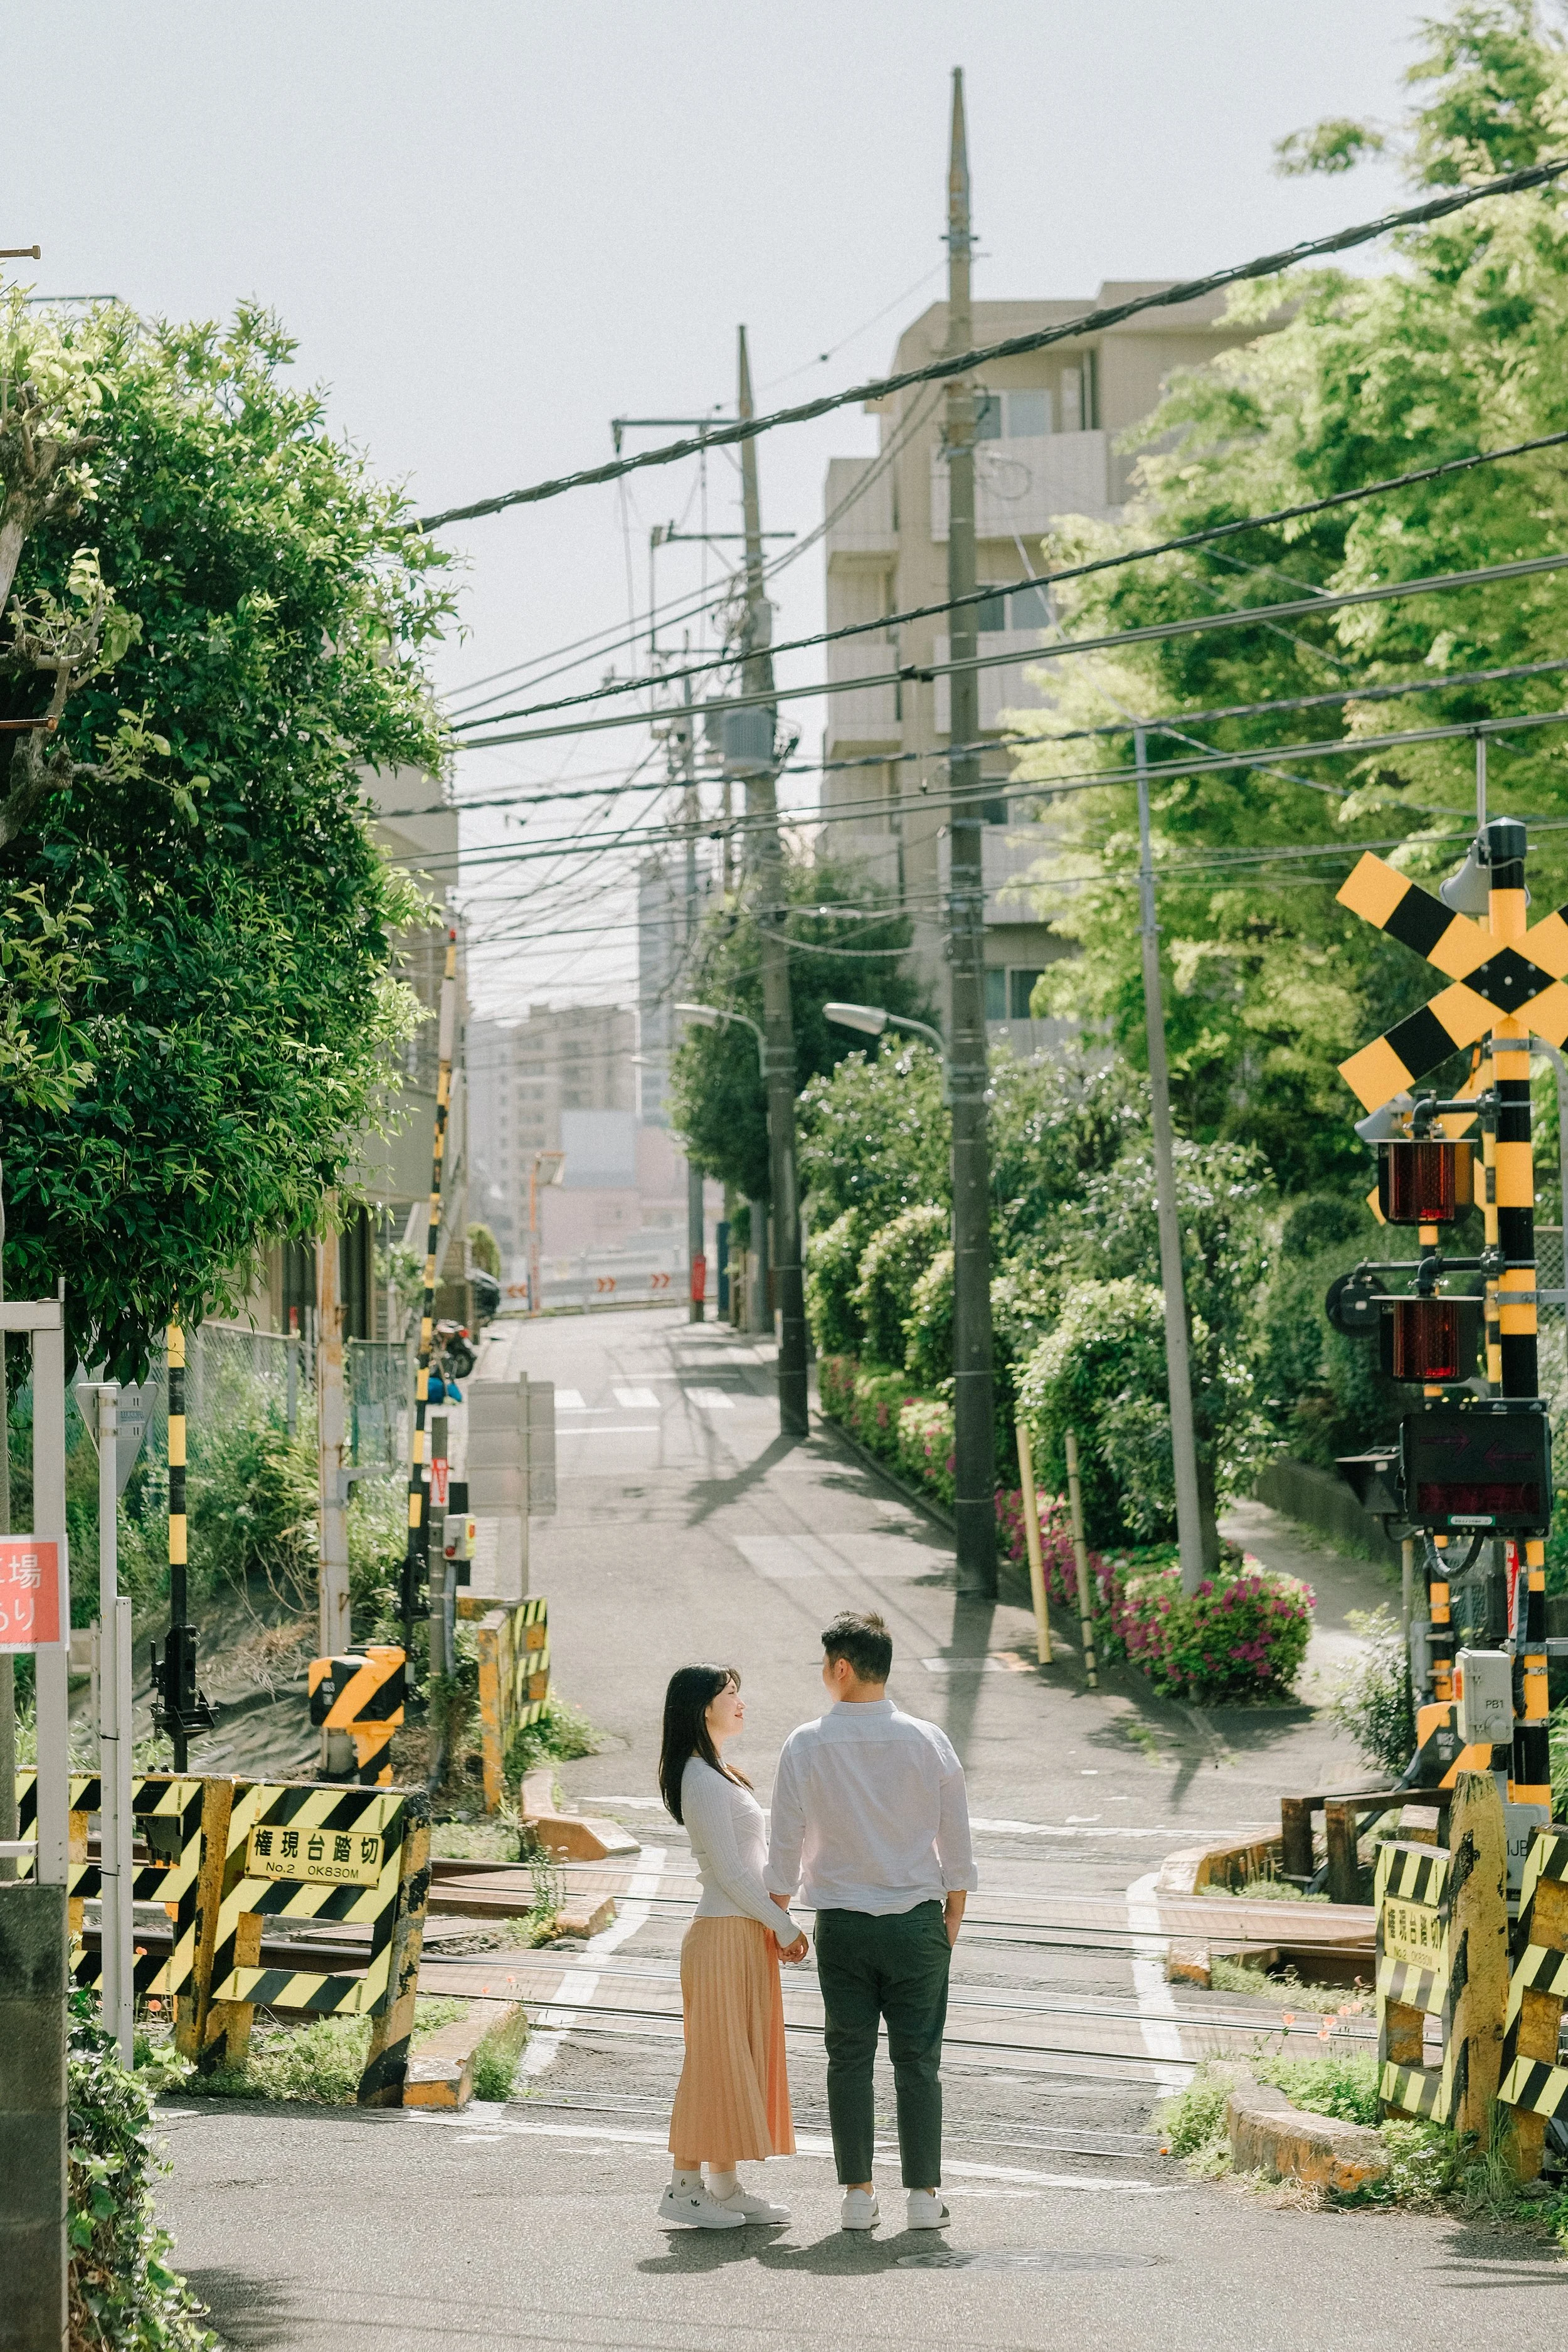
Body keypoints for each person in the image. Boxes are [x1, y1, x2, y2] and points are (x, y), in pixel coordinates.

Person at [765, 1609, 976, 2234]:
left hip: (842, 1926)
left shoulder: (806, 1744)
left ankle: (857, 2195)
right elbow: (957, 1849)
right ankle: (921, 2196)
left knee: (848, 2056)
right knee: (918, 2060)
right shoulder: (929, 1740)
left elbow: (784, 1849)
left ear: (841, 1669)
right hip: (916, 1923)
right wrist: (949, 1925)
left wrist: (777, 1917)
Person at [656, 1663, 808, 2230]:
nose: (741, 1701)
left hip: (741, 1933)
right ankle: (683, 2186)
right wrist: (785, 1926)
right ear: (702, 1708)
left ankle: (723, 2185)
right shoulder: (698, 1777)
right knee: (713, 2061)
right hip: (724, 1933)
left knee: (735, 2058)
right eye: (730, 1694)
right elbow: (729, 1873)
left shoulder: (718, 1772)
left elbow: (748, 1867)